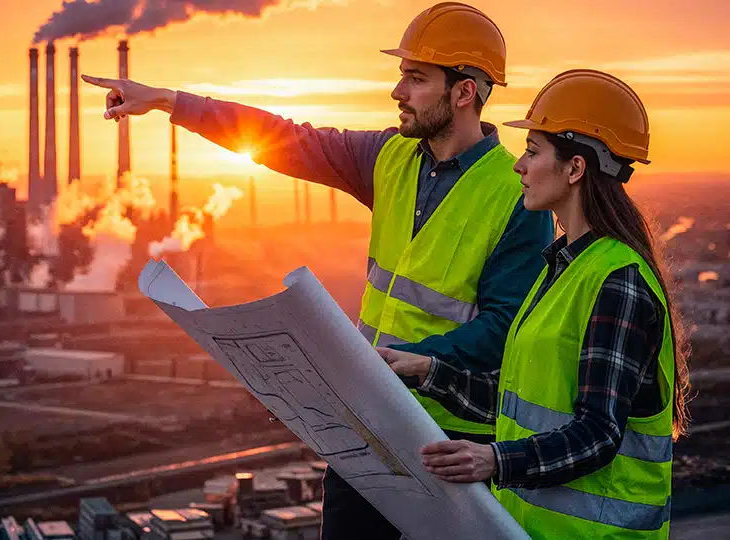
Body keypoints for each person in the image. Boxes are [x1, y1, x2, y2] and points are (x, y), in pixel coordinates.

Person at [82, 3, 554, 537]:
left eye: (416, 79)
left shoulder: (515, 197)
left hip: (452, 444)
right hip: (367, 425)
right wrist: (171, 102)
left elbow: (504, 330)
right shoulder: (389, 158)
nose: (397, 92)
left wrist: (408, 362)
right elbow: (285, 140)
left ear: (464, 92)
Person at [378, 69, 692, 539]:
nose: (518, 166)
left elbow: (598, 435)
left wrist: (494, 459)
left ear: (575, 168)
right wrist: (429, 372)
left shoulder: (616, 282)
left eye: (532, 151)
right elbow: (522, 410)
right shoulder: (562, 268)